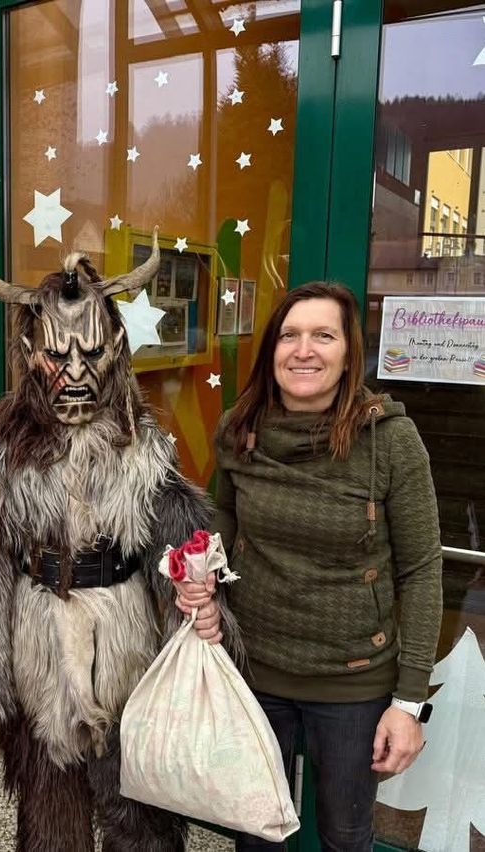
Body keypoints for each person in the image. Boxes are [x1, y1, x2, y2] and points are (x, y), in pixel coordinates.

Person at [0, 235, 230, 852]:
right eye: (58, 354)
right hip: (38, 643)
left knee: (139, 803)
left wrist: (198, 599)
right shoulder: (2, 455)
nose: (76, 374)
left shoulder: (143, 446)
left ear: (115, 352)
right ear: (30, 354)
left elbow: (177, 537)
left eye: (90, 353)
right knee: (48, 808)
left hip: (126, 639)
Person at [178, 282, 443, 851]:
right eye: (290, 335)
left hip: (353, 683)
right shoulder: (240, 429)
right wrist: (201, 573)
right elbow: (225, 515)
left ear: (350, 353)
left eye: (324, 335)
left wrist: (406, 702)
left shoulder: (390, 442)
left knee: (346, 837)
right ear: (271, 349)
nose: (304, 350)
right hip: (254, 669)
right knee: (255, 832)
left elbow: (421, 570)